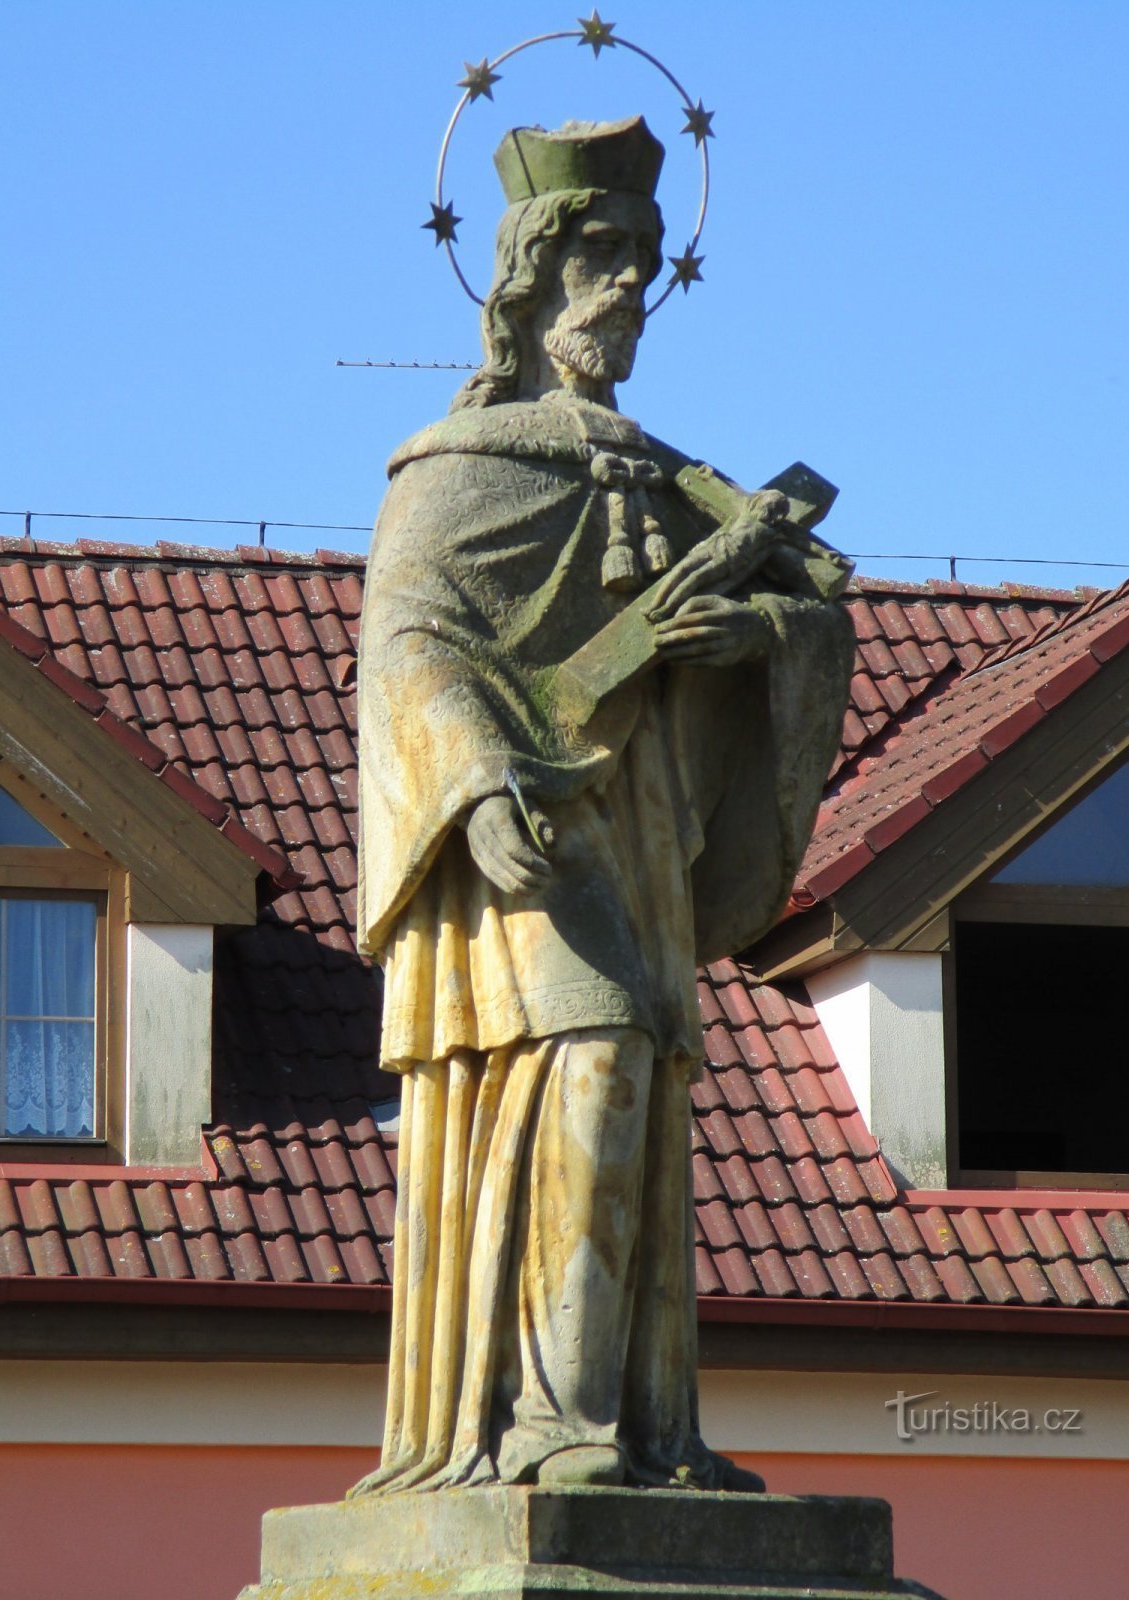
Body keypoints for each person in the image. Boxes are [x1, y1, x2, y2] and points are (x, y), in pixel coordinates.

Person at [355, 117, 853, 1493]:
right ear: (527, 277)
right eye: (597, 254)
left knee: (638, 1074)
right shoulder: (460, 465)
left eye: (640, 257)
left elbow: (816, 609)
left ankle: (633, 1429)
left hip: (636, 825)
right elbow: (406, 641)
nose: (625, 285)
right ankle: (545, 1423)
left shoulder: (684, 480)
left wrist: (756, 644)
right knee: (598, 1055)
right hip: (516, 828)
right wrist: (467, 782)